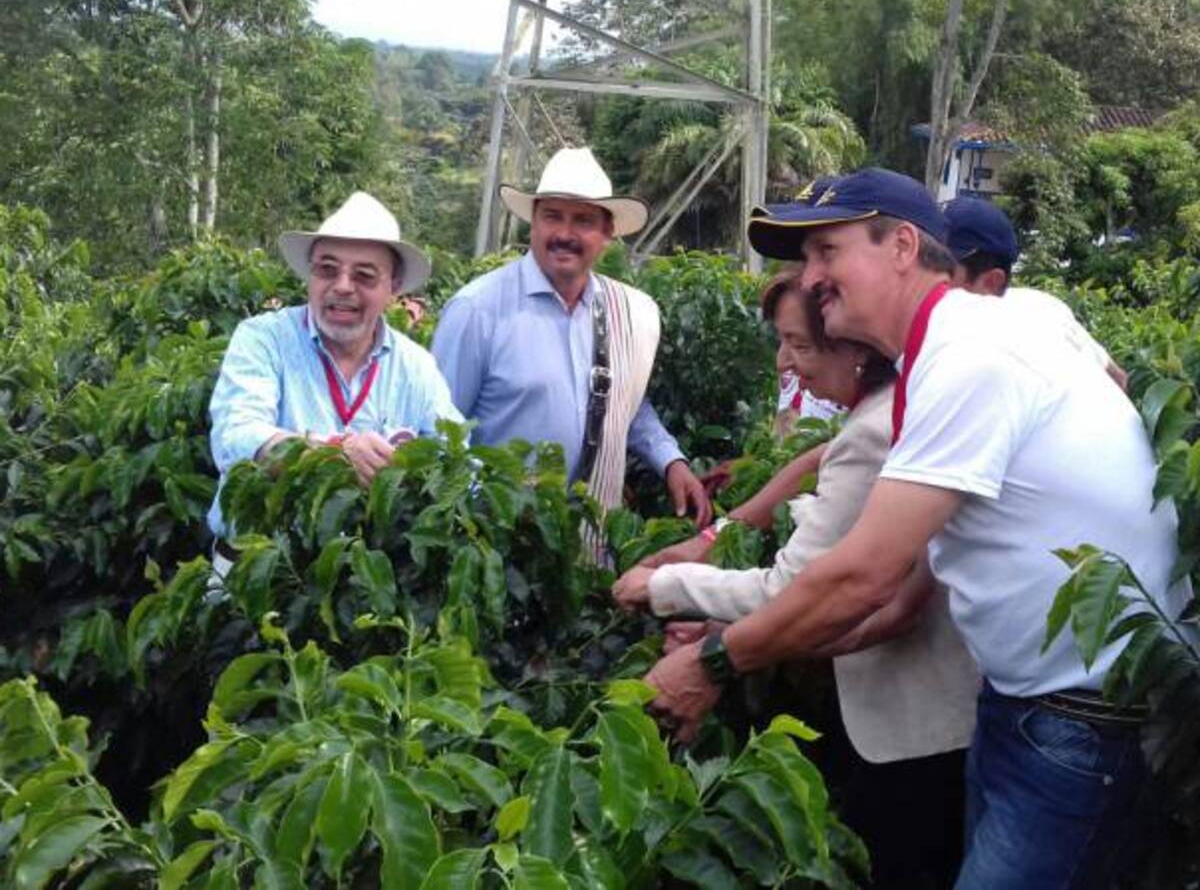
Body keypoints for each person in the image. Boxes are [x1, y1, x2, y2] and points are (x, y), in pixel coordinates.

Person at [641, 167, 1186, 889]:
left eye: (826, 252)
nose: (810, 278)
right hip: (1021, 701)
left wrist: (716, 660)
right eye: (805, 260)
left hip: (1083, 721)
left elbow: (862, 575)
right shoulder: (992, 326)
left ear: (902, 245)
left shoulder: (968, 357)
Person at [614, 269, 979, 888]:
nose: (786, 363)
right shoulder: (882, 413)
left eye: (801, 345)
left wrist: (662, 587)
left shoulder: (872, 433)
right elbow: (808, 475)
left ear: (854, 343)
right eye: (783, 343)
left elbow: (792, 588)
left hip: (910, 724)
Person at [432, 148, 709, 525]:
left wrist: (669, 460)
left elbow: (624, 400)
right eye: (552, 217)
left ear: (607, 232)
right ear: (533, 221)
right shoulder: (477, 310)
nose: (564, 234)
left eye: (583, 220)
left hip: (591, 542)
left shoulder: (627, 311)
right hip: (495, 536)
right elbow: (438, 431)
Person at [207, 191, 462, 558]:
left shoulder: (415, 366)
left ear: (393, 288)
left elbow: (456, 459)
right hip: (256, 569)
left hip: (366, 581)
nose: (342, 286)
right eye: (328, 269)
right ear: (310, 275)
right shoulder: (264, 339)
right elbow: (238, 436)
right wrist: (335, 453)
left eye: (364, 275)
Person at [944, 196, 1128, 389]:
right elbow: (1117, 377)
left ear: (992, 282)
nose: (930, 277)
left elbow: (1116, 377)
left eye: (944, 269)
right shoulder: (1040, 304)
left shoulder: (984, 343)